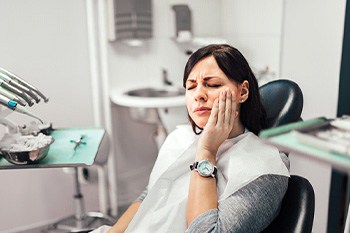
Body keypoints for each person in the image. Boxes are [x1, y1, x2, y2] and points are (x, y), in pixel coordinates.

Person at [94, 44, 290, 233]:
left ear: (243, 92)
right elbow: (150, 194)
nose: (199, 95)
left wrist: (206, 151)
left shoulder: (266, 168)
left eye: (212, 84)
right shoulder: (180, 138)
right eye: (191, 87)